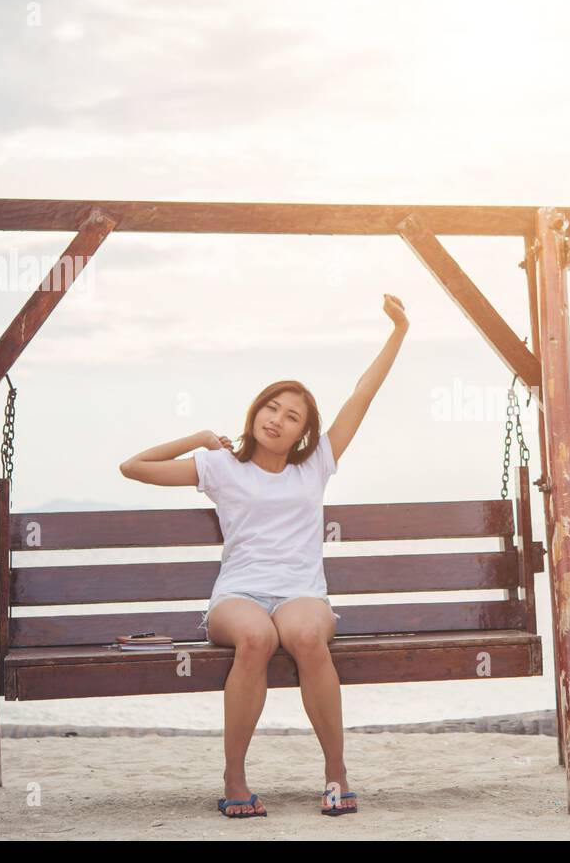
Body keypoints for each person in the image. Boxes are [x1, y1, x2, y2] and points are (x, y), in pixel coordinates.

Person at [119, 293, 409, 818]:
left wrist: (399, 331)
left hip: (302, 593)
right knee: (256, 636)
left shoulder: (315, 465)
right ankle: (235, 777)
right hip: (238, 596)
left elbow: (362, 396)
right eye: (272, 407)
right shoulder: (220, 466)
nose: (278, 419)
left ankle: (336, 773)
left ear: (304, 433)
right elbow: (133, 467)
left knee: (302, 635)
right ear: (256, 411)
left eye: (292, 416)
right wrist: (199, 438)